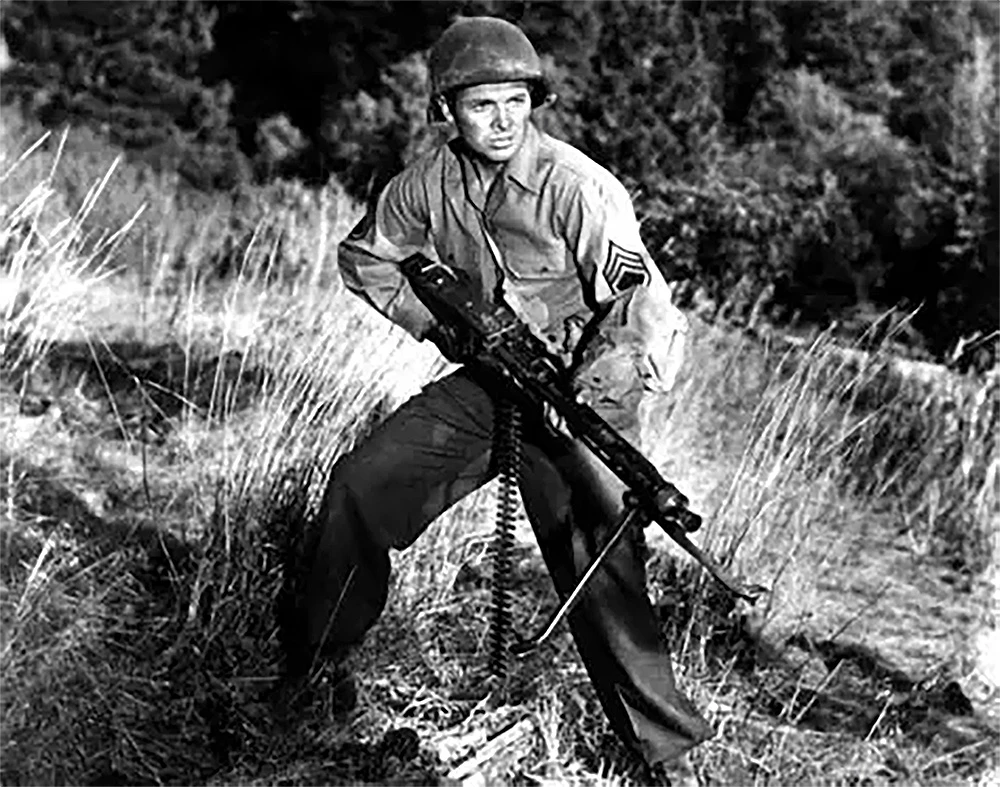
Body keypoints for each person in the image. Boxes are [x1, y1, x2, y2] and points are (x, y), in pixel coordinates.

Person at [279, 15, 713, 781]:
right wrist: (438, 329)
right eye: (483, 106)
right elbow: (365, 257)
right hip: (488, 377)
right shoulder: (426, 183)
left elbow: (644, 310)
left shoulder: (579, 188)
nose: (504, 120)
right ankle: (315, 672)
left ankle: (663, 754)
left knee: (600, 555)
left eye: (517, 101)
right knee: (363, 483)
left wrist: (592, 385)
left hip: (583, 392)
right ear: (447, 110)